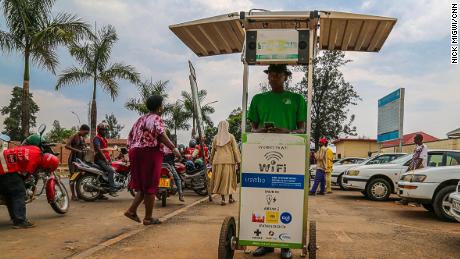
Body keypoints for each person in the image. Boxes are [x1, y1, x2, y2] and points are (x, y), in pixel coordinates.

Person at [248, 64, 306, 259]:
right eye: (270, 74)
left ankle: (286, 245)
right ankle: (264, 243)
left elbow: (302, 130)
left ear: (285, 77)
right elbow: (253, 130)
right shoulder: (258, 99)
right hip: (262, 154)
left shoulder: (297, 99)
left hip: (288, 155)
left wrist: (287, 132)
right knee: (260, 198)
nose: (273, 78)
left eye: (277, 75)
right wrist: (262, 131)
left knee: (286, 197)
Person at [124, 95, 181, 225]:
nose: (163, 106)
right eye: (162, 104)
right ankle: (148, 218)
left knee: (143, 187)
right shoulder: (156, 118)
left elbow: (130, 137)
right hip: (149, 152)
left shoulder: (140, 119)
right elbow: (161, 135)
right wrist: (173, 149)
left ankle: (132, 211)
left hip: (135, 152)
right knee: (150, 186)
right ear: (159, 106)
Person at [0, 145, 58, 228]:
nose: (45, 170)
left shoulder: (36, 149)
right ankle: (20, 221)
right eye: (47, 169)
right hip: (5, 169)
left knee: (10, 193)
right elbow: (25, 176)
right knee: (19, 192)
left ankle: (15, 217)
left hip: (3, 160)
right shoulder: (33, 163)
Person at [209, 121, 241, 205]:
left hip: (218, 161)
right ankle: (230, 198)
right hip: (229, 161)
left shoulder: (216, 138)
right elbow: (235, 149)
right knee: (229, 180)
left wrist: (211, 160)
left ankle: (223, 199)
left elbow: (213, 150)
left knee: (221, 180)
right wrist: (239, 161)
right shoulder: (231, 137)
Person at [65, 124, 90, 201]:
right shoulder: (74, 136)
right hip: (73, 159)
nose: (86, 134)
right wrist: (77, 150)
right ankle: (73, 195)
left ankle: (79, 194)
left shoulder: (82, 138)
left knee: (79, 177)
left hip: (80, 160)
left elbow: (84, 146)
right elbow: (67, 146)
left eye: (87, 133)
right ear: (81, 130)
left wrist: (86, 148)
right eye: (85, 133)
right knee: (73, 177)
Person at [92, 123, 118, 196]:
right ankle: (112, 190)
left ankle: (100, 194)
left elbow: (105, 150)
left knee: (104, 174)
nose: (105, 131)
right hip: (100, 159)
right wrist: (105, 159)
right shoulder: (97, 138)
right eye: (103, 130)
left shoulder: (103, 139)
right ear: (99, 130)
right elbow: (98, 149)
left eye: (105, 130)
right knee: (110, 171)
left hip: (104, 159)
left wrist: (109, 158)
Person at [162, 130, 185, 202]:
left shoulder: (159, 144)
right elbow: (178, 155)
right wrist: (178, 158)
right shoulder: (170, 145)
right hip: (169, 165)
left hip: (159, 165)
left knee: (150, 179)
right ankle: (180, 195)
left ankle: (145, 196)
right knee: (178, 179)